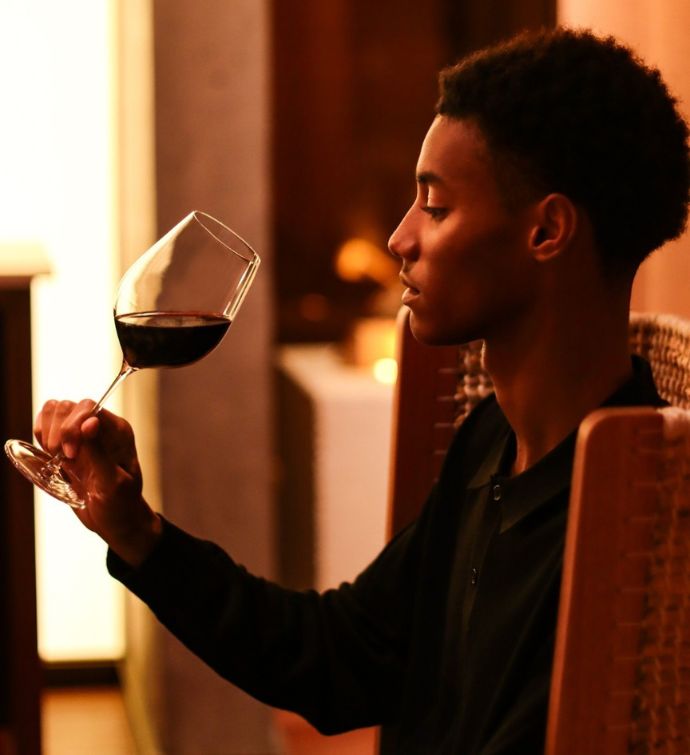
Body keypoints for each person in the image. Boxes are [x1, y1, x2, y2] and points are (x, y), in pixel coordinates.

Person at [35, 27, 689, 753]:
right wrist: (135, 530)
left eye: (435, 207)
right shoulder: (491, 444)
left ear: (547, 231)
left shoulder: (634, 519)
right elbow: (340, 657)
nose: (399, 238)